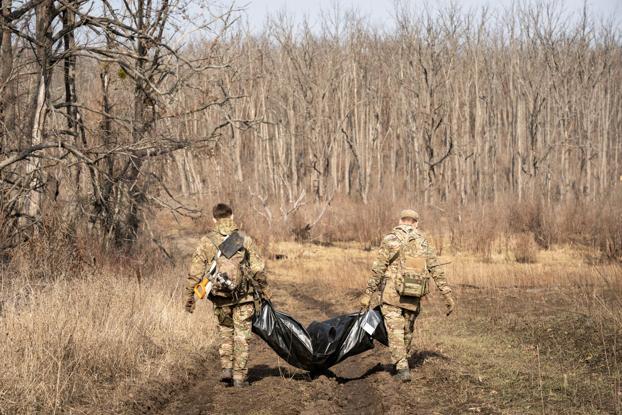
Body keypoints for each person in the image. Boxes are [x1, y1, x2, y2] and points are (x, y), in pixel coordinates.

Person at [359, 209, 455, 382]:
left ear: (400, 221)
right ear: (416, 223)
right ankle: (403, 361)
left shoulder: (390, 239)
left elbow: (378, 269)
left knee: (395, 330)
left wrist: (368, 294)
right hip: (414, 295)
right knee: (407, 330)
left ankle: (402, 368)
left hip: (391, 295)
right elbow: (436, 270)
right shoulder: (424, 242)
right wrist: (446, 294)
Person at [184, 203, 267, 387]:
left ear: (214, 219)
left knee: (225, 331)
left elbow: (195, 272)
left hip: (220, 298)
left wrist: (190, 296)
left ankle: (226, 369)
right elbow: (258, 268)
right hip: (244, 297)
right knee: (242, 336)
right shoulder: (244, 239)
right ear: (232, 215)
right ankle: (239, 377)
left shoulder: (207, 241)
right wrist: (262, 290)